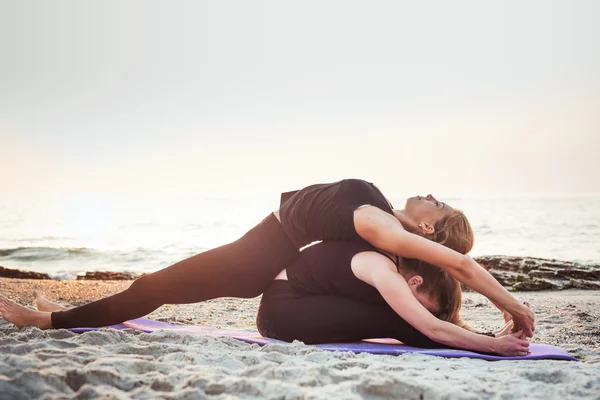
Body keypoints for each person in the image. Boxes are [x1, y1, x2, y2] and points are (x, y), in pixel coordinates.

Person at [0, 179, 534, 336]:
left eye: (438, 206)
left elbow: (462, 266)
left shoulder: (379, 226)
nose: (431, 192)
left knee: (155, 286)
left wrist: (515, 307)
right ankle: (59, 310)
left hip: (253, 260)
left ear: (425, 229)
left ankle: (46, 318)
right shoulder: (383, 218)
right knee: (156, 285)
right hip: (262, 246)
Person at [257, 240, 530, 356]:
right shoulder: (383, 270)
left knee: (394, 318)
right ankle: (489, 337)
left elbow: (463, 268)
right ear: (415, 282)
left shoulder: (391, 258)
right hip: (281, 313)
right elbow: (430, 327)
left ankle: (487, 335)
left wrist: (500, 318)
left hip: (293, 305)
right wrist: (493, 345)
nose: (420, 311)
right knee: (394, 319)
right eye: (424, 306)